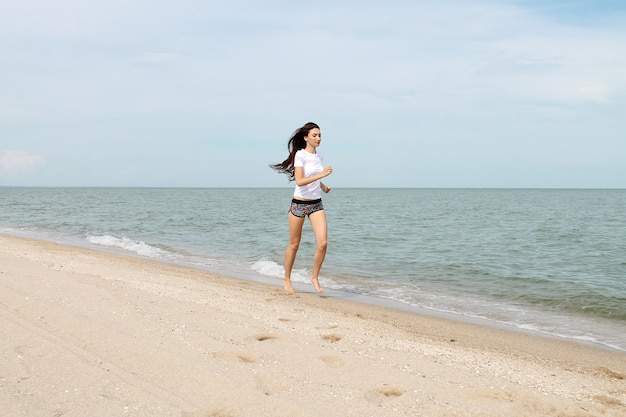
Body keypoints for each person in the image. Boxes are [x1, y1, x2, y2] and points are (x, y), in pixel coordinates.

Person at [270, 122, 333, 294]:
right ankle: (287, 278)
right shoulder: (300, 155)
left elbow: (312, 177)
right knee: (294, 244)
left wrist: (322, 186)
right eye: (314, 135)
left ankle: (314, 276)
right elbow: (300, 180)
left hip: (316, 204)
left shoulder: (319, 156)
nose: (318, 138)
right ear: (306, 137)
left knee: (323, 243)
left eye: (320, 135)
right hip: (299, 204)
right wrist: (322, 174)